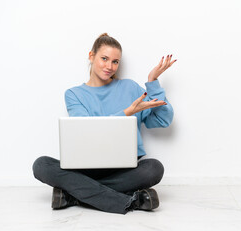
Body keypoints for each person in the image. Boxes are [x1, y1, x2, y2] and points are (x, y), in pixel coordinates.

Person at [32, 33, 176, 214]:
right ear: (91, 56)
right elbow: (84, 130)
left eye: (115, 62)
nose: (110, 66)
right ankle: (130, 201)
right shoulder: (74, 94)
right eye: (104, 59)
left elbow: (163, 120)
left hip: (124, 168)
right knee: (41, 165)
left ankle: (73, 195)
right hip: (87, 168)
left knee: (154, 168)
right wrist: (127, 113)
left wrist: (153, 83)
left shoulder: (130, 87)